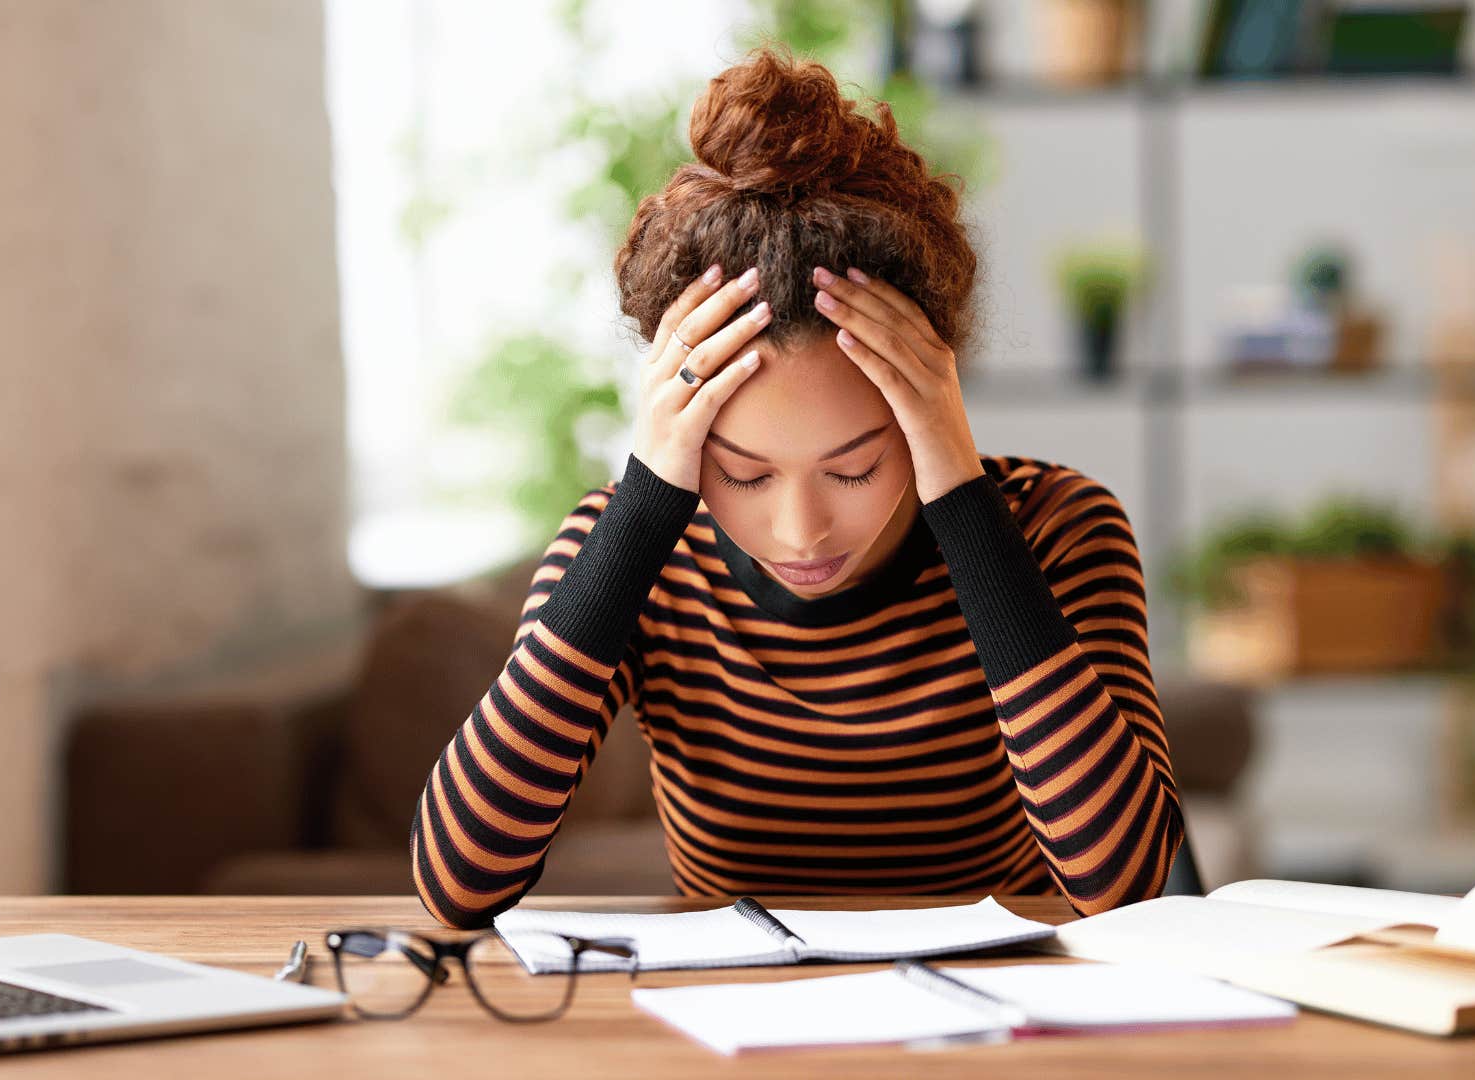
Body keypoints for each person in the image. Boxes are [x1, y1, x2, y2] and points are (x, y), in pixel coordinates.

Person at [410, 46, 1180, 930]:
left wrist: (961, 499)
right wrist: (645, 504)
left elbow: (1125, 890)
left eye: (854, 466)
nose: (802, 530)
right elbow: (459, 882)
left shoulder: (1056, 529)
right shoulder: (628, 548)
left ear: (934, 402)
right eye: (743, 472)